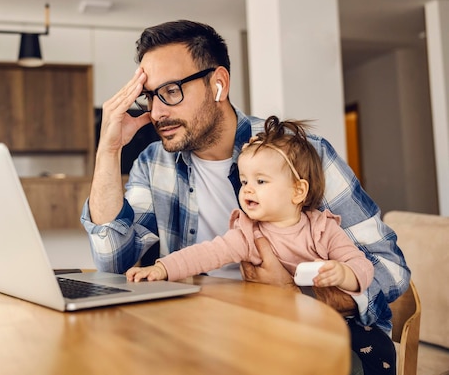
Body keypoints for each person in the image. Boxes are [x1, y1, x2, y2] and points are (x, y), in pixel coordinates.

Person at [80, 20, 410, 374]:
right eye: (150, 96)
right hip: (202, 330)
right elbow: (114, 268)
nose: (157, 111)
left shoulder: (298, 157)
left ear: (218, 83)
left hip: (309, 331)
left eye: (171, 91)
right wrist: (109, 150)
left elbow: (390, 268)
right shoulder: (152, 163)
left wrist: (296, 295)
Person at [126, 115, 395, 375]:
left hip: (332, 321)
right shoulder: (247, 232)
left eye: (260, 181)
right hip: (275, 326)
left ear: (298, 191)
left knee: (378, 349)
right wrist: (162, 268)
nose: (247, 190)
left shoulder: (323, 228)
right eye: (244, 181)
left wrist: (345, 274)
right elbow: (206, 253)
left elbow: (361, 264)